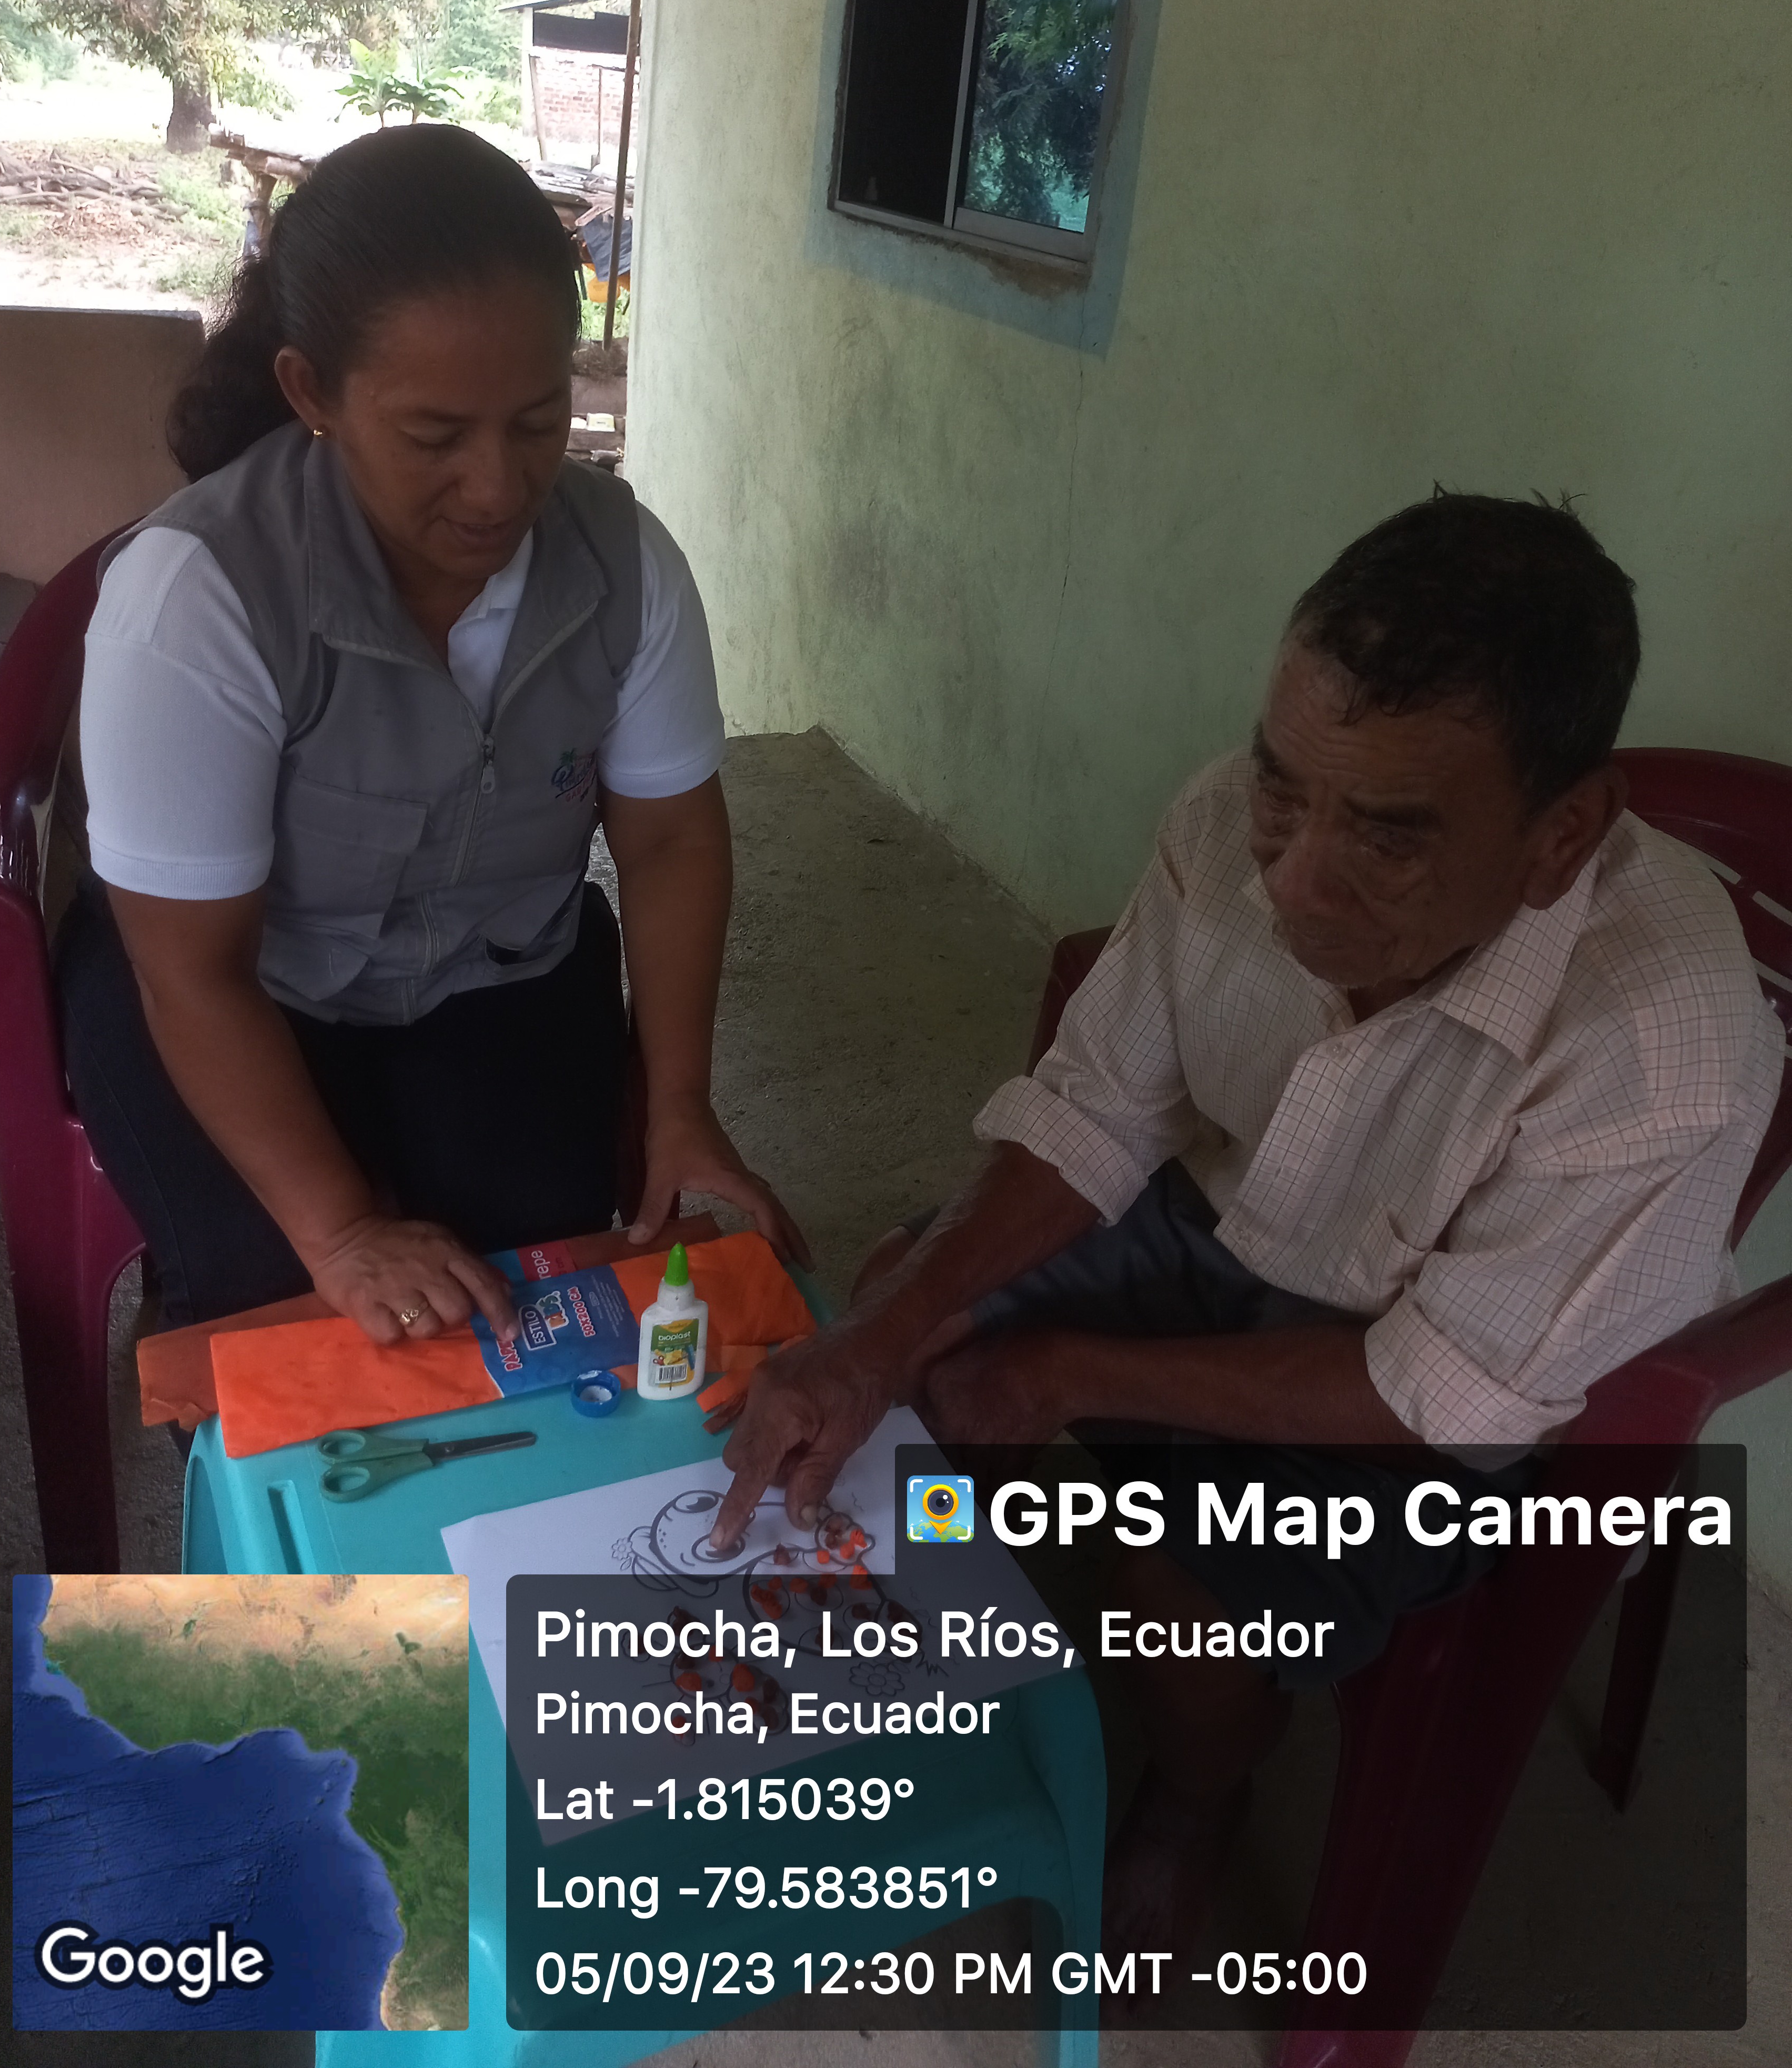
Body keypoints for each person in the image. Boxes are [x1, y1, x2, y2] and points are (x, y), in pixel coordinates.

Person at [706, 492, 1780, 1957]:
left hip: (1456, 1385)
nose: (1292, 879)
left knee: (1179, 1607)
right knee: (906, 1318)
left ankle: (1202, 1791)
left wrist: (1068, 1370)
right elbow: (1097, 1110)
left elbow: (1441, 1393)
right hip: (1223, 1212)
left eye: (1386, 836)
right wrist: (884, 1337)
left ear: (1561, 835)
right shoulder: (1225, 817)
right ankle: (930, 1655)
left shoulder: (1659, 1043)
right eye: (1287, 789)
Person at [58, 124, 803, 1350]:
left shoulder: (624, 565)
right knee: (285, 1309)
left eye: (539, 419)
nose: (500, 488)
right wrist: (342, 1232)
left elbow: (671, 841)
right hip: (239, 985)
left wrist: (679, 1102)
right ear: (312, 393)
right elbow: (190, 970)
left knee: (536, 1284)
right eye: (435, 436)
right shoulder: (203, 595)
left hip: (494, 965)